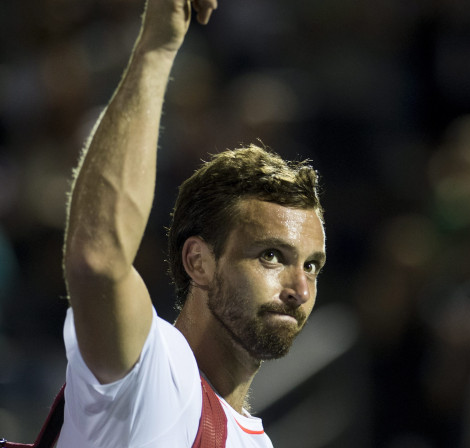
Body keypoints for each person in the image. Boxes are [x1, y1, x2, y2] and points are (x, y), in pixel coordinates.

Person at [59, 0, 327, 446]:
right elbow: (98, 259)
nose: (299, 289)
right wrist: (156, 49)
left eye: (312, 265)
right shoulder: (153, 370)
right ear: (198, 262)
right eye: (271, 256)